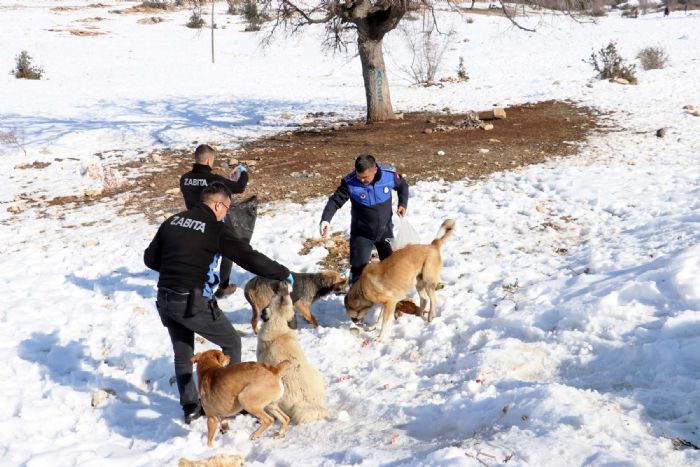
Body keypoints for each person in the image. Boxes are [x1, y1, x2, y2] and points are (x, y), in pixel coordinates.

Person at [144, 182, 292, 424]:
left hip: (166, 298)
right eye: (227, 208)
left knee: (183, 353)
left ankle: (191, 406)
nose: (226, 214)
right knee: (231, 342)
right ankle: (228, 402)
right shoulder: (214, 229)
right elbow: (248, 257)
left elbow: (150, 259)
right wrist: (281, 272)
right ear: (217, 205)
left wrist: (177, 267)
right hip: (193, 302)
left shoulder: (173, 221)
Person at [320, 154, 409, 284]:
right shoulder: (350, 183)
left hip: (385, 231)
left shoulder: (388, 176)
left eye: (365, 177)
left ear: (375, 170)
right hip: (362, 233)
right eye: (359, 176)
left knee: (390, 267)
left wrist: (402, 204)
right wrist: (326, 219)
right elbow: (335, 201)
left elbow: (403, 186)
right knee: (358, 269)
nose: (361, 180)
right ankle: (354, 298)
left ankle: (388, 299)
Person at [180, 144, 248, 298]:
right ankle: (222, 287)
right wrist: (243, 172)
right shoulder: (213, 179)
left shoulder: (184, 179)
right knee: (227, 250)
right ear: (209, 160)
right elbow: (239, 187)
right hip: (212, 222)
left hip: (191, 222)